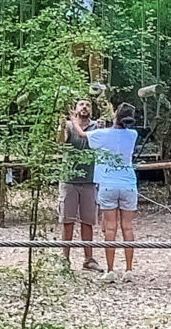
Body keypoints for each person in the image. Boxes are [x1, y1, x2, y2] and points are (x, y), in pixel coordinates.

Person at [72, 102, 138, 283]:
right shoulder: (133, 135)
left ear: (116, 116)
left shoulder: (102, 134)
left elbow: (82, 134)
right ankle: (129, 269)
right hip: (128, 184)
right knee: (128, 227)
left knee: (110, 228)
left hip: (108, 184)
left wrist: (73, 120)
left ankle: (110, 270)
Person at [57, 99, 101, 271]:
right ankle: (64, 259)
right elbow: (60, 141)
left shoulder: (97, 127)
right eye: (81, 104)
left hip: (90, 180)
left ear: (91, 109)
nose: (84, 107)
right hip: (69, 179)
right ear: (75, 109)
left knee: (88, 221)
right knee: (67, 220)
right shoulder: (67, 125)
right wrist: (61, 127)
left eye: (88, 105)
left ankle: (89, 259)